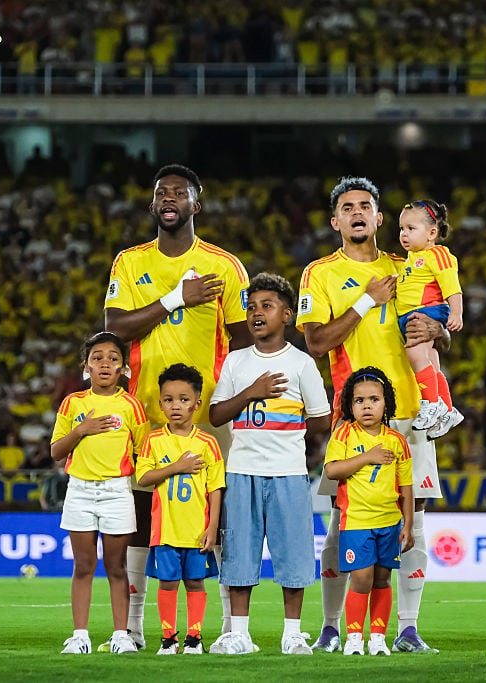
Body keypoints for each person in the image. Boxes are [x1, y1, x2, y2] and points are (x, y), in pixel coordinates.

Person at [297, 176, 446, 653]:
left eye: (366, 205)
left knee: (412, 517)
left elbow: (438, 332)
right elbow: (316, 341)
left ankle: (406, 627)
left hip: (411, 414)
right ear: (335, 220)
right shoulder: (319, 273)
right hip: (353, 417)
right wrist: (366, 300)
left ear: (381, 218)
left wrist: (437, 330)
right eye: (348, 207)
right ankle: (331, 625)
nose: (358, 212)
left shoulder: (411, 266)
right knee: (344, 521)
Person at [105, 163, 251, 645]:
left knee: (220, 518)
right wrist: (175, 299)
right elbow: (116, 329)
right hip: (144, 412)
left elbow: (245, 342)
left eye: (179, 192)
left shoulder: (225, 266)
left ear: (196, 204)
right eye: (161, 192)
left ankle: (232, 629)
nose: (169, 198)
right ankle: (133, 628)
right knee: (142, 520)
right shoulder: (129, 263)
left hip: (214, 414)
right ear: (152, 205)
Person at [207, 273, 332, 655]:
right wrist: (252, 392)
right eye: (251, 306)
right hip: (241, 469)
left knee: (292, 554)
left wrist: (290, 438)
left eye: (267, 305)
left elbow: (322, 418)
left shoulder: (301, 364)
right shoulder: (236, 361)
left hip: (289, 472)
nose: (256, 312)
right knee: (239, 554)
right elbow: (215, 414)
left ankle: (292, 633)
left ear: (288, 315)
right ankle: (239, 634)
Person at [51, 331, 150, 655]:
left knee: (117, 566)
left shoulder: (131, 406)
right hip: (79, 489)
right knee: (83, 566)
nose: (105, 363)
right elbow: (55, 451)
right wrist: (81, 430)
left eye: (113, 358)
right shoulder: (73, 403)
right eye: (97, 358)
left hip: (117, 491)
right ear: (86, 367)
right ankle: (79, 635)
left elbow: (142, 453)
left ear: (123, 368)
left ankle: (122, 635)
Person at [135, 363, 225, 655]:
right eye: (169, 399)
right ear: (160, 403)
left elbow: (215, 489)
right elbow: (144, 477)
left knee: (196, 583)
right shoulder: (153, 440)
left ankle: (194, 639)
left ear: (197, 405)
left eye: (184, 400)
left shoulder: (208, 443)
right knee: (168, 583)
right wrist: (177, 467)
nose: (176, 406)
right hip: (165, 531)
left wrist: (212, 528)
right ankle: (169, 639)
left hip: (196, 531)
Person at [324, 367, 414, 657]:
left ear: (386, 402)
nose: (366, 406)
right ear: (350, 405)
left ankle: (377, 637)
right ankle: (353, 637)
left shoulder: (396, 441)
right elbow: (332, 470)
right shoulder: (344, 434)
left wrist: (408, 524)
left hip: (389, 522)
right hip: (357, 522)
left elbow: (408, 487)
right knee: (361, 578)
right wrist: (367, 457)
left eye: (374, 399)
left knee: (382, 578)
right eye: (359, 400)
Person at [395, 199, 464, 438]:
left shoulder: (437, 254)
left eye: (411, 229)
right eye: (402, 229)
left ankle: (431, 403)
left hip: (426, 311)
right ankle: (447, 409)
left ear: (432, 232)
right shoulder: (410, 260)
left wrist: (456, 312)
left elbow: (452, 285)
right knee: (431, 361)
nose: (404, 234)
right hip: (413, 313)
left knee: (415, 353)